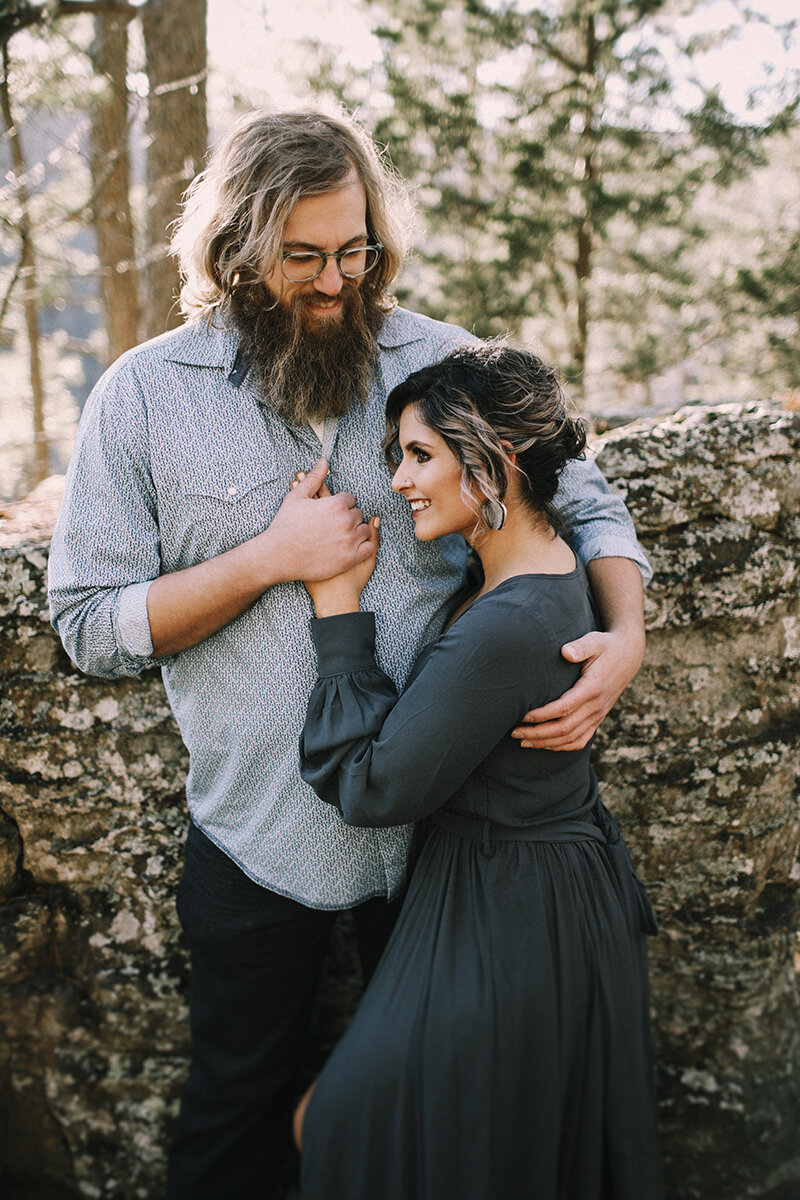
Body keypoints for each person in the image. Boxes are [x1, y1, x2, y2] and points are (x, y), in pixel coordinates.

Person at [47, 108, 652, 1199]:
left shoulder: (438, 361)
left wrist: (622, 636)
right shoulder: (139, 397)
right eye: (303, 258)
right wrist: (266, 559)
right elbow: (89, 625)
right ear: (233, 250)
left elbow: (583, 498)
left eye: (355, 249)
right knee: (232, 1130)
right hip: (251, 841)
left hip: (434, 850)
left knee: (431, 1143)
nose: (337, 282)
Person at [294, 342, 661, 1200]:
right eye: (399, 457)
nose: (400, 481)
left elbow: (375, 785)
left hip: (510, 912)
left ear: (494, 461)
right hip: (530, 889)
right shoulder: (544, 562)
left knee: (339, 1121)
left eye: (420, 455)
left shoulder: (504, 623)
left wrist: (337, 605)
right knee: (492, 1147)